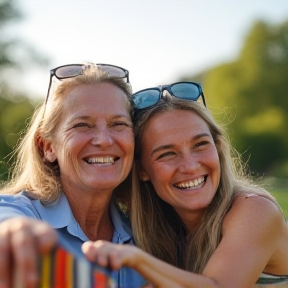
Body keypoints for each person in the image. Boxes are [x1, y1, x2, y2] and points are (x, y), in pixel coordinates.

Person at [83, 82, 288, 288]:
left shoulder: (255, 211)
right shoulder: (164, 232)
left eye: (200, 145)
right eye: (167, 154)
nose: (190, 166)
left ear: (217, 147)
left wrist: (137, 259)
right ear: (142, 170)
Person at [0, 62, 146, 288]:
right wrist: (14, 232)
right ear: (48, 147)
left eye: (118, 124)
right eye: (82, 125)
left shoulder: (147, 239)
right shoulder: (19, 212)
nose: (104, 140)